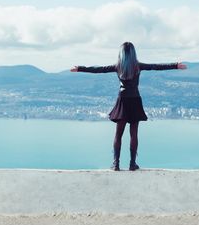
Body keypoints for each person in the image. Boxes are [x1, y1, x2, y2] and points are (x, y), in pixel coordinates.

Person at [71, 42, 187, 171]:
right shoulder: (138, 66)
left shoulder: (118, 67)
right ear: (133, 53)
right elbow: (156, 66)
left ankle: (116, 164)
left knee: (118, 134)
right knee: (134, 134)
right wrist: (175, 66)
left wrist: (80, 68)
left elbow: (99, 69)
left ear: (121, 54)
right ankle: (132, 164)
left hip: (123, 100)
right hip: (135, 100)